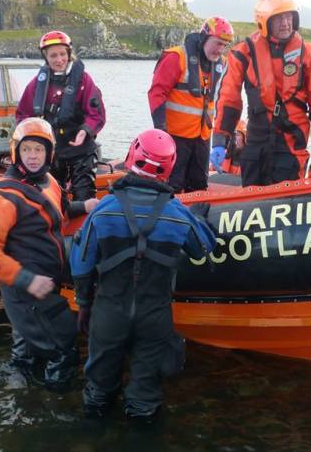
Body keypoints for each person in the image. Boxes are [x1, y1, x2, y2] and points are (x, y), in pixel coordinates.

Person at [70, 129, 217, 422]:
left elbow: (81, 264)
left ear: (132, 156)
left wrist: (84, 306)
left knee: (99, 389)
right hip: (154, 314)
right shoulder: (177, 213)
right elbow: (203, 248)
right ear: (169, 167)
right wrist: (198, 218)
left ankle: (94, 434)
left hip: (109, 311)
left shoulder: (104, 211)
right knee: (145, 395)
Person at [0, 118, 97, 391]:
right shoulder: (3, 195)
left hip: (46, 281)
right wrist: (26, 279)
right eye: (27, 149)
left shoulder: (49, 181)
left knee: (27, 345)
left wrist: (84, 205)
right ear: (16, 151)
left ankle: (22, 388)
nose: (33, 156)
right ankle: (56, 406)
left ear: (49, 152)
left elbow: (58, 210)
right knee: (63, 347)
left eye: (39, 150)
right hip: (26, 288)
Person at [210, 0, 311, 186]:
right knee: (251, 200)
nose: (286, 23)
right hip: (255, 145)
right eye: (279, 19)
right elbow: (228, 99)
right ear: (264, 22)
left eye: (289, 17)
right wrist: (219, 141)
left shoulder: (310, 56)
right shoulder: (244, 53)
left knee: (287, 201)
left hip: (291, 148)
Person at [15, 30, 106, 201]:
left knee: (84, 193)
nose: (59, 60)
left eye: (63, 54)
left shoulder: (84, 81)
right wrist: (31, 141)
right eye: (53, 55)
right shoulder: (36, 84)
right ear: (46, 58)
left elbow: (96, 114)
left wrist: (85, 131)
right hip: (51, 150)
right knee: (50, 195)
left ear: (69, 54)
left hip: (81, 148)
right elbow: (22, 115)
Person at [148, 17, 234, 192]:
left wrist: (220, 139)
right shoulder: (176, 57)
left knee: (199, 186)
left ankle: (195, 218)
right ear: (204, 38)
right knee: (172, 186)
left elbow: (222, 100)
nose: (220, 50)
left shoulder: (222, 64)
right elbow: (156, 93)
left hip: (202, 137)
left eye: (224, 45)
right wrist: (160, 130)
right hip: (175, 137)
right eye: (217, 43)